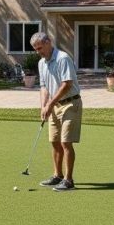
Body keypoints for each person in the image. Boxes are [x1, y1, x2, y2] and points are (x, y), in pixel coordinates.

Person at [29, 31, 82, 192]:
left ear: (48, 42)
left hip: (70, 104)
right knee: (55, 141)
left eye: (40, 48)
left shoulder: (62, 58)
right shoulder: (41, 63)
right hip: (54, 106)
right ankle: (57, 175)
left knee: (66, 142)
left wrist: (50, 104)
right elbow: (44, 87)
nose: (38, 52)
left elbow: (67, 84)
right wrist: (44, 106)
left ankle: (68, 180)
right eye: (35, 49)